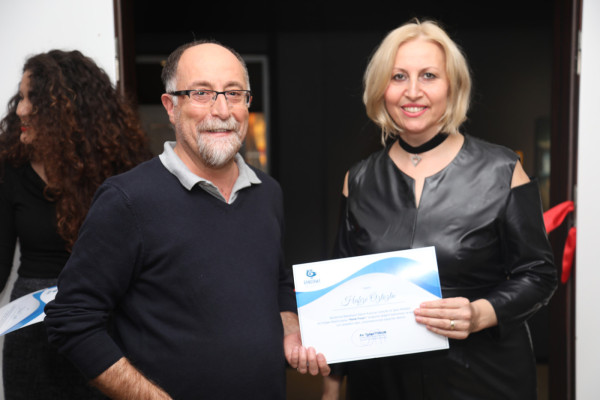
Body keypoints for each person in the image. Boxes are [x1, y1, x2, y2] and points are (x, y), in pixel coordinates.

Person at [44, 40, 330, 400]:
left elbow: (277, 280)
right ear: (171, 106)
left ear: (247, 103)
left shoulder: (267, 192)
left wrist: (290, 330)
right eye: (201, 93)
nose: (222, 110)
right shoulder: (127, 200)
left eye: (234, 93)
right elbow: (71, 320)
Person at [322, 19, 557, 399]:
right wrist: (331, 389)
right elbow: (343, 299)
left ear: (453, 87)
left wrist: (481, 313)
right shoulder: (359, 179)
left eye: (429, 75)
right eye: (398, 76)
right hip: (383, 383)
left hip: (484, 378)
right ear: (382, 89)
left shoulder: (502, 170)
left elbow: (539, 274)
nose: (413, 91)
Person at [0, 49, 150, 399]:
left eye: (32, 99)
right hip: (32, 334)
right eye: (20, 98)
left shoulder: (122, 169)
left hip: (103, 326)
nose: (20, 110)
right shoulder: (10, 169)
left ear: (67, 110)